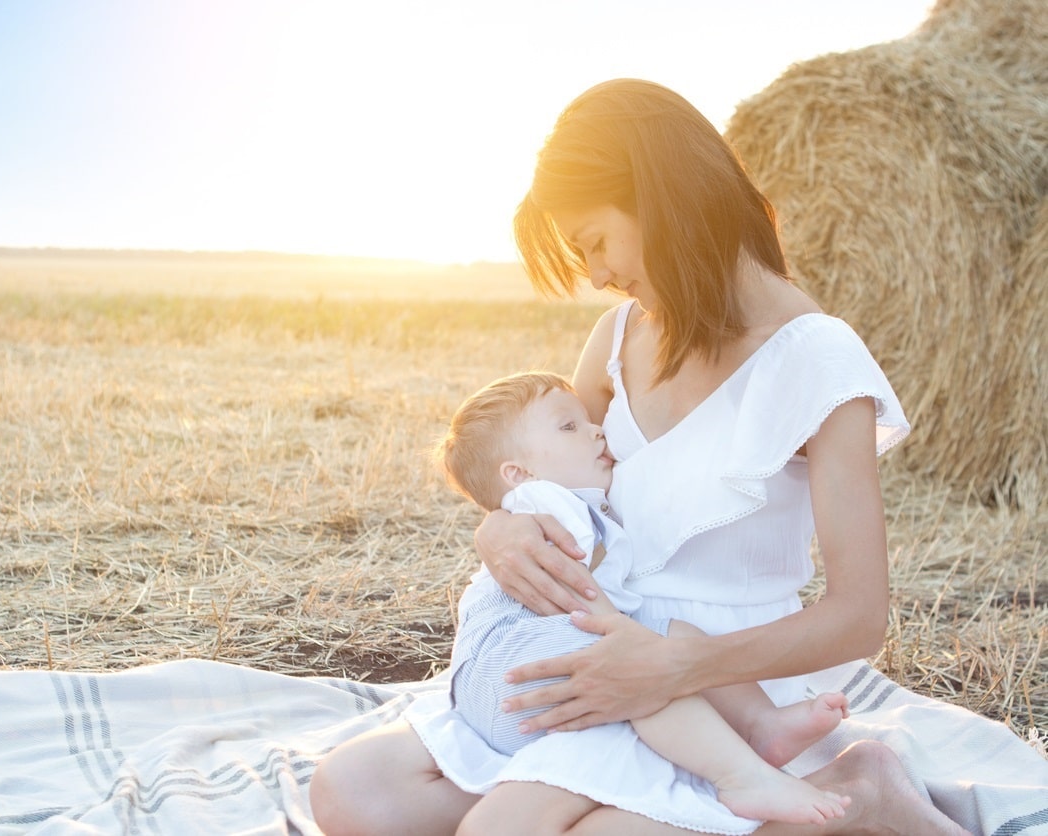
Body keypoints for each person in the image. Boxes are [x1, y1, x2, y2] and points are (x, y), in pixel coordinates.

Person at [310, 78, 970, 835]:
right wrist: (498, 530)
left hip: (723, 691)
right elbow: (548, 476)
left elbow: (858, 618)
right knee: (354, 791)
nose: (594, 276)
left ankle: (859, 788)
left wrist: (676, 668)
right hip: (597, 659)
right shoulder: (618, 338)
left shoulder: (817, 358)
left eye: (594, 242)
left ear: (660, 197)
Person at [436, 368, 851, 828]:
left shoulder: (550, 505)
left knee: (674, 636)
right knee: (643, 668)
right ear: (519, 474)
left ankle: (761, 723)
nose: (596, 429)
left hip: (497, 686)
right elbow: (579, 591)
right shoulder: (549, 505)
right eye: (569, 426)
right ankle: (741, 776)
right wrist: (631, 646)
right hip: (514, 666)